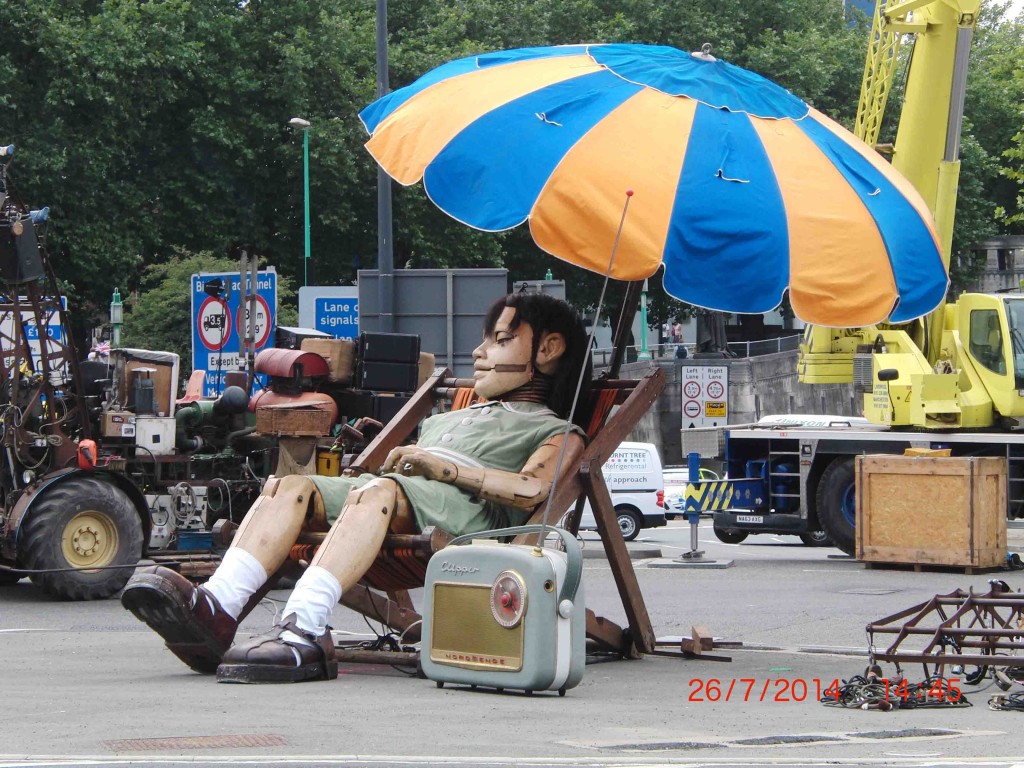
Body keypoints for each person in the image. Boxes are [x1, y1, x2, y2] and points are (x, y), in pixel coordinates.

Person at [121, 293, 591, 683]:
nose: (478, 352)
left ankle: (306, 628)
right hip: (402, 497)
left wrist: (442, 468)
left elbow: (534, 489)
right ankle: (217, 605)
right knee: (290, 485)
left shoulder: (556, 429)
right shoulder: (453, 415)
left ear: (548, 349)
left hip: (467, 519)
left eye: (501, 340)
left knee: (379, 492)